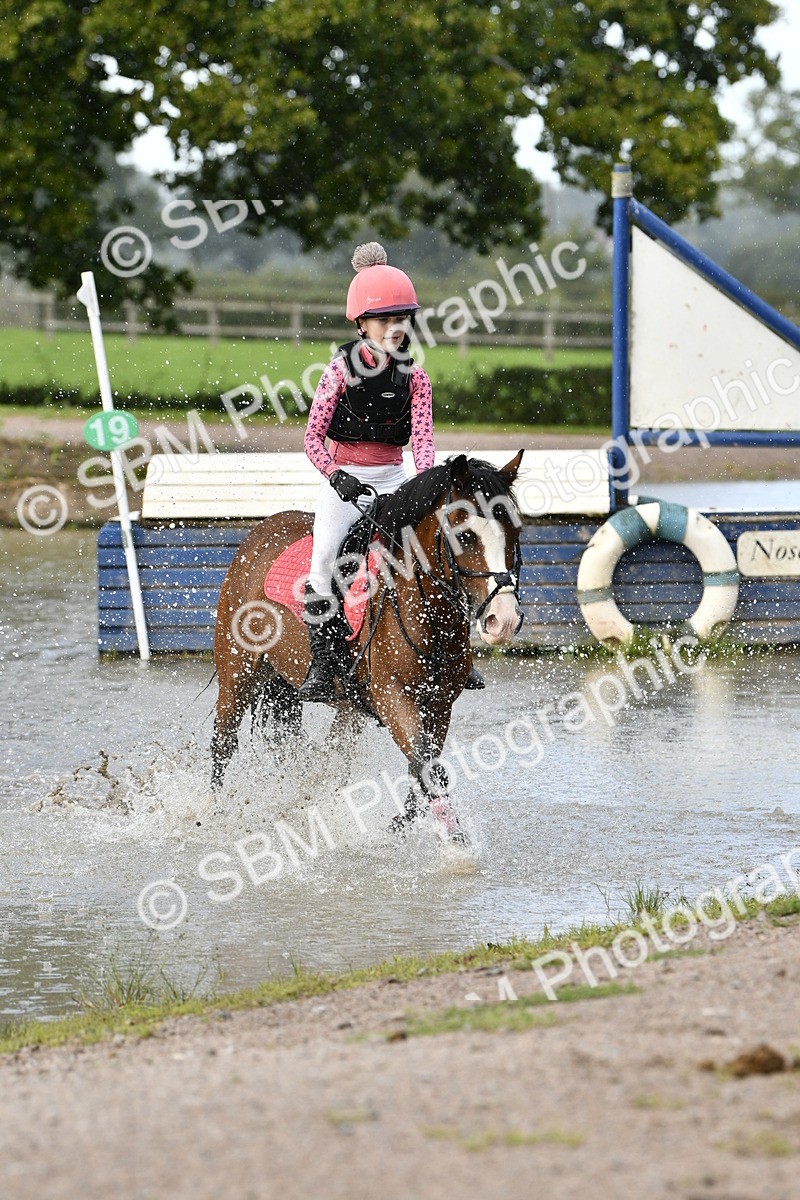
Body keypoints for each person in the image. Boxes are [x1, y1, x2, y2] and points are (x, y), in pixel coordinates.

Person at [299, 241, 485, 701]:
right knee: (324, 564)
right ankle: (323, 666)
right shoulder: (337, 373)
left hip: (393, 478)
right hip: (344, 480)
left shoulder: (415, 377)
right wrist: (335, 476)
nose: (395, 328)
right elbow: (310, 440)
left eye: (402, 319)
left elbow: (422, 441)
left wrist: (427, 484)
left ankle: (461, 654)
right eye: (385, 319)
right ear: (362, 323)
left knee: (434, 548)